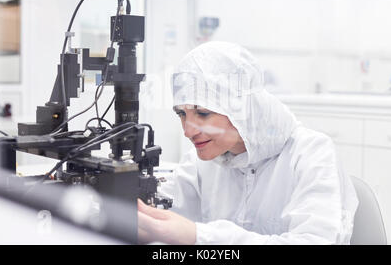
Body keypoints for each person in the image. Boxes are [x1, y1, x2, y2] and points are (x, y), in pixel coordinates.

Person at [138, 41, 358, 245]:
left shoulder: (311, 153)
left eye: (203, 113)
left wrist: (201, 237)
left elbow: (315, 241)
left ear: (241, 110)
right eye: (181, 114)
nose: (188, 131)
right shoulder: (204, 159)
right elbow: (166, 203)